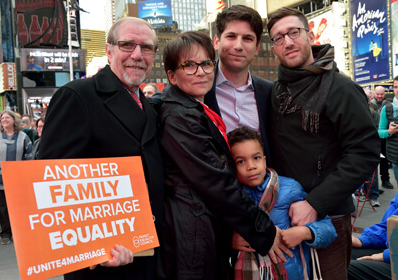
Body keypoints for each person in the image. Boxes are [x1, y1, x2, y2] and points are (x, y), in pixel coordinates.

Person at [38, 17, 164, 280]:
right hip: (100, 268)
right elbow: (50, 184)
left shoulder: (149, 106)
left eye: (147, 47)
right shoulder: (78, 96)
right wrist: (96, 247)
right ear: (109, 50)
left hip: (146, 254)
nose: (138, 55)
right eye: (127, 44)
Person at [157, 31, 281, 280]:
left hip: (202, 225)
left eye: (205, 64)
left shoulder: (193, 107)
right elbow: (215, 181)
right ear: (171, 76)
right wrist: (263, 230)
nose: (201, 72)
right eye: (189, 65)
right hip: (191, 233)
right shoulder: (180, 115)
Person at [267, 7, 380, 279]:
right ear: (274, 49)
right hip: (283, 217)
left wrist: (315, 203)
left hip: (328, 216)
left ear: (309, 35)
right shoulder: (277, 90)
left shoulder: (340, 88)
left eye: (294, 32)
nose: (288, 42)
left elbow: (364, 154)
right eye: (279, 38)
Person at [228, 127, 337, 280]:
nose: (251, 166)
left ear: (265, 160)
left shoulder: (289, 189)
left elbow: (329, 229)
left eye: (256, 158)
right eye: (241, 161)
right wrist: (229, 240)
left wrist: (305, 233)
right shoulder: (228, 198)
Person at [205, 5, 273, 164]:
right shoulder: (199, 87)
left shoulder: (269, 92)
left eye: (247, 38)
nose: (238, 46)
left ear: (256, 48)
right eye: (231, 36)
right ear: (217, 42)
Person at [0, 110, 33, 245]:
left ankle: (20, 233)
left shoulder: (23, 137)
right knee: (3, 209)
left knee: (19, 208)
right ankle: (6, 233)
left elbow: (29, 157)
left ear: (14, 121)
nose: (4, 120)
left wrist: (27, 175)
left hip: (18, 181)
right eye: (2, 118)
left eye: (7, 117)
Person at [347, 190, 398, 280]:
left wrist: (386, 255)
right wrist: (364, 240)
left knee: (343, 268)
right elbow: (388, 224)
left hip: (394, 254)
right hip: (391, 248)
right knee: (339, 254)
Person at [370, 86, 393, 190]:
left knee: (385, 159)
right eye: (378, 94)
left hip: (384, 137)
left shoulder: (388, 105)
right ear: (374, 93)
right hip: (372, 137)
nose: (379, 96)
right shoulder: (369, 105)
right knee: (372, 161)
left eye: (382, 94)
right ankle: (373, 186)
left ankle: (385, 180)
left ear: (385, 94)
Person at [378, 76, 398, 186]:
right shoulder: (387, 108)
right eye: (395, 87)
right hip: (395, 155)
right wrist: (389, 132)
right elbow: (379, 132)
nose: (397, 90)